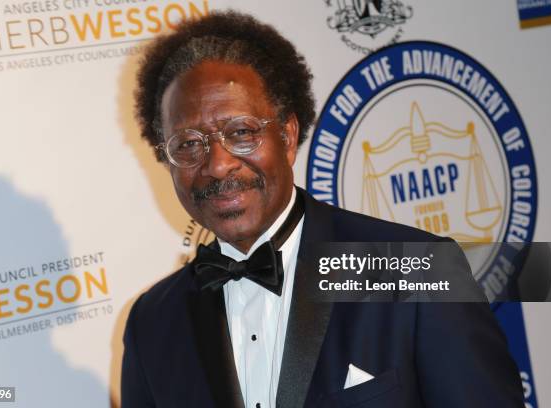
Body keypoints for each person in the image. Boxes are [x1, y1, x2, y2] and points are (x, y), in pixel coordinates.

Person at [121, 11, 524, 408]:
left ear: (288, 135)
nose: (218, 164)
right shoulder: (153, 324)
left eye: (241, 132)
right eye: (188, 144)